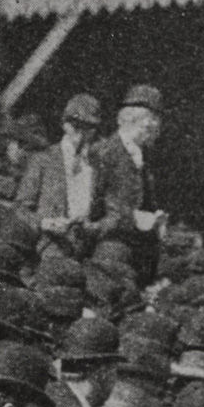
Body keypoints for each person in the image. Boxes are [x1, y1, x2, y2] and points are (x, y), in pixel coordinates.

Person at [88, 84, 165, 288]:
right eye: (154, 122)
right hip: (105, 260)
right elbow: (90, 211)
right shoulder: (103, 154)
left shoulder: (142, 159)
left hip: (132, 261)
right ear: (141, 122)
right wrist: (134, 219)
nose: (157, 129)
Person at [15, 93, 101, 265]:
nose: (81, 136)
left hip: (88, 253)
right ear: (64, 124)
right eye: (76, 127)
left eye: (88, 129)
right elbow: (20, 209)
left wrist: (91, 226)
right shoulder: (43, 160)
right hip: (50, 250)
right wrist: (45, 223)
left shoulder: (98, 165)